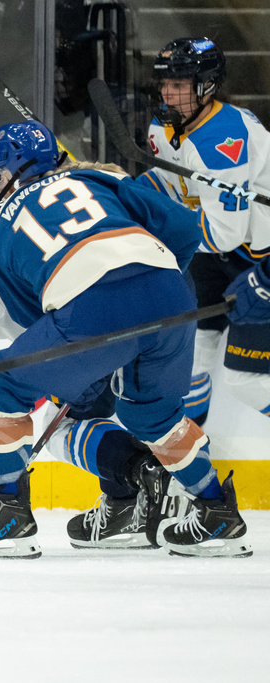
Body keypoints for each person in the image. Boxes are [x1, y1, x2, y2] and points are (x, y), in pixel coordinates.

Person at [0, 120, 250, 558]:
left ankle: (9, 515)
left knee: (0, 384)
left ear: (13, 172)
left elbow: (35, 315)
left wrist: (90, 359)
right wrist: (151, 284)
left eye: (0, 175)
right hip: (172, 292)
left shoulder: (1, 231)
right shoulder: (96, 178)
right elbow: (185, 229)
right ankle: (217, 512)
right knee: (152, 415)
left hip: (93, 309)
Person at [0, 170, 174, 555]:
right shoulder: (12, 219)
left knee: (28, 410)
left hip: (87, 321)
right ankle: (129, 499)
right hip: (154, 296)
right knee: (75, 415)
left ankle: (11, 514)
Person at [138, 37, 270, 423]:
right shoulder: (164, 127)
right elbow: (170, 184)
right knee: (189, 360)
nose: (168, 94)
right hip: (217, 256)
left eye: (179, 85)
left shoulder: (220, 142)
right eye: (164, 84)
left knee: (244, 380)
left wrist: (159, 222)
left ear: (206, 86)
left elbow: (224, 233)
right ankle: (188, 461)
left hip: (259, 260)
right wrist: (119, 192)